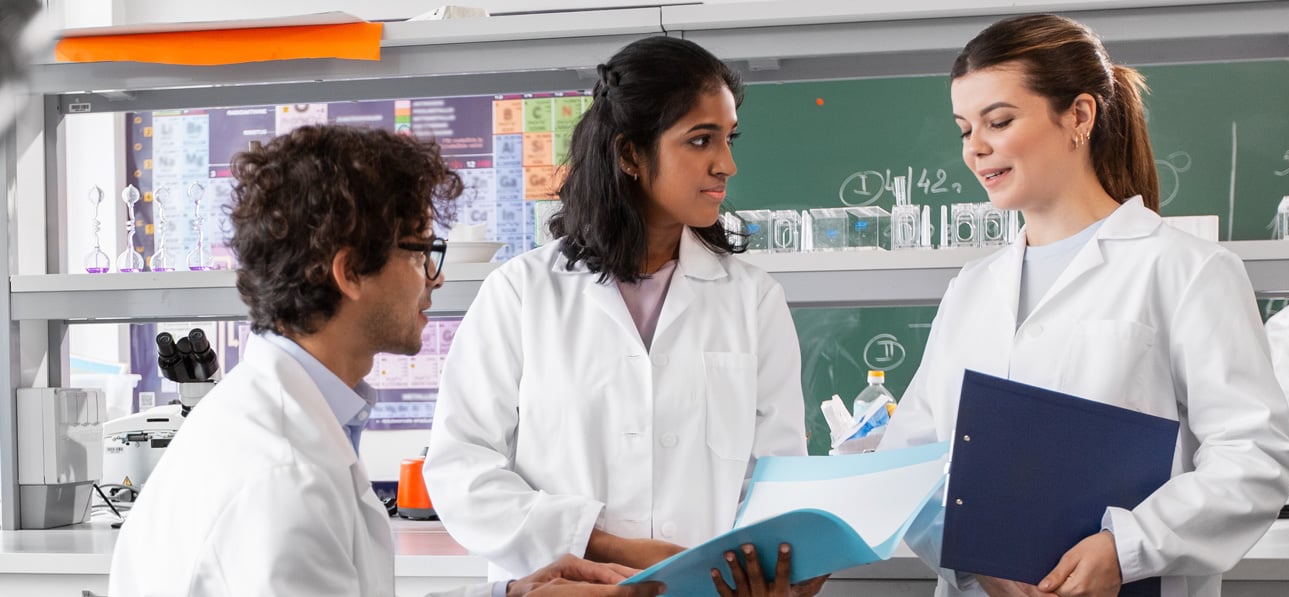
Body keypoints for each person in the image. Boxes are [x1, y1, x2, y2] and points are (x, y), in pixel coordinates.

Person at [108, 125, 663, 597]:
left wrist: (513, 594)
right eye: (421, 251)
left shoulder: (277, 420)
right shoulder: (284, 480)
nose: (436, 277)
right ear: (349, 273)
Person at [877, 14, 1289, 597]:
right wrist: (981, 559)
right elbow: (910, 462)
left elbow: (1256, 458)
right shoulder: (972, 289)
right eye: (964, 128)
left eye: (999, 121)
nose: (977, 149)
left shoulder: (1185, 269)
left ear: (1078, 115)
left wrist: (1124, 549)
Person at [425, 35, 821, 595]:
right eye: (701, 140)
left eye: (729, 138)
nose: (727, 164)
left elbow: (776, 477)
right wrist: (604, 544)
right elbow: (461, 472)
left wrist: (779, 566)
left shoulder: (752, 300)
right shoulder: (520, 293)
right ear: (630, 154)